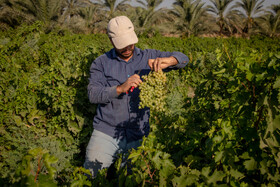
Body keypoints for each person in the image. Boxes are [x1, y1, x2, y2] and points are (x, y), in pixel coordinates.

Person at [84, 15, 189, 177]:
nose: (127, 48)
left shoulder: (149, 56)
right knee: (91, 176)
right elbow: (93, 94)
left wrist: (171, 60)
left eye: (130, 43)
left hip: (138, 133)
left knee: (134, 180)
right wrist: (120, 88)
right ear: (111, 41)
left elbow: (184, 58)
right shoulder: (101, 63)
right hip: (106, 132)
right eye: (122, 45)